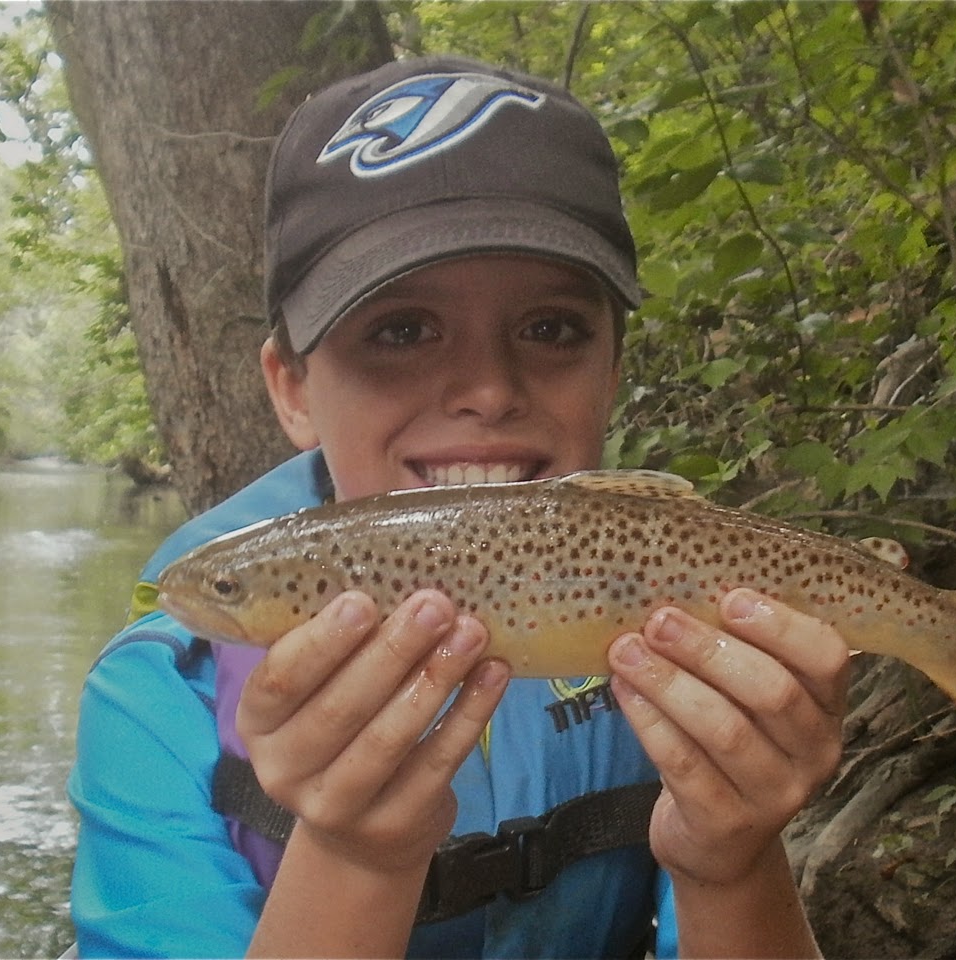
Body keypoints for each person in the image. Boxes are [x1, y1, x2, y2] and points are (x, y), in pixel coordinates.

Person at [68, 54, 850, 958]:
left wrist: (732, 864)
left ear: (613, 371)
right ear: (290, 389)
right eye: (399, 331)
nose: (486, 390)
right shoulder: (158, 692)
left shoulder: (675, 601)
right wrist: (355, 857)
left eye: (551, 328)